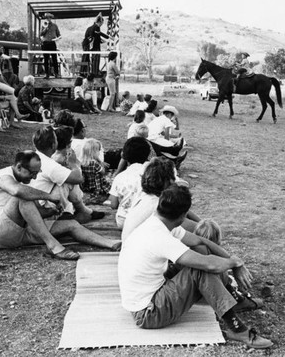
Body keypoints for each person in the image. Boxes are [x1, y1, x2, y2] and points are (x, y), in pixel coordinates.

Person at [118, 184, 272, 349]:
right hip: (148, 313)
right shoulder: (160, 237)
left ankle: (235, 299)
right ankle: (237, 329)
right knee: (201, 269)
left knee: (202, 254)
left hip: (149, 297)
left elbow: (200, 241)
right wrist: (235, 263)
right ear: (183, 216)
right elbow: (209, 265)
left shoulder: (157, 223)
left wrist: (231, 259)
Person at [0, 150, 121, 261]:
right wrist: (48, 196)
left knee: (71, 224)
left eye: (37, 174)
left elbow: (27, 212)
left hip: (19, 233)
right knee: (23, 197)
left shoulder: (23, 181)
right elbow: (17, 191)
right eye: (32, 173)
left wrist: (49, 212)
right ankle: (53, 246)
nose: (34, 178)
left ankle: (110, 243)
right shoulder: (3, 175)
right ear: (18, 166)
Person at [29, 126, 106, 224]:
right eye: (56, 139)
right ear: (53, 145)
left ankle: (79, 211)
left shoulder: (38, 156)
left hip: (39, 200)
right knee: (69, 180)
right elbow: (79, 179)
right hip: (44, 206)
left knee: (68, 177)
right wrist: (73, 164)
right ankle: (73, 213)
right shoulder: (51, 164)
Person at [122, 157, 198, 242]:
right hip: (137, 247)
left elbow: (185, 213)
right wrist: (206, 225)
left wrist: (201, 222)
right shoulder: (158, 205)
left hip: (132, 243)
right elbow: (191, 227)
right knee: (200, 245)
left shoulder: (146, 196)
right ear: (168, 181)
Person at [108, 137, 150, 228]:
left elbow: (113, 205)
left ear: (124, 156)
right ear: (147, 155)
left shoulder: (119, 177)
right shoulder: (151, 174)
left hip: (123, 222)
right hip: (145, 221)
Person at [40, 13, 62, 79]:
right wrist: (46, 28)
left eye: (49, 17)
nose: (48, 19)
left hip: (52, 43)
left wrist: (56, 39)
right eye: (46, 18)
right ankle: (47, 74)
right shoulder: (43, 25)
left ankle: (56, 73)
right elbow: (41, 34)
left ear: (50, 18)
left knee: (54, 59)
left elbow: (59, 35)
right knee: (46, 59)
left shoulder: (55, 26)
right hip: (45, 43)